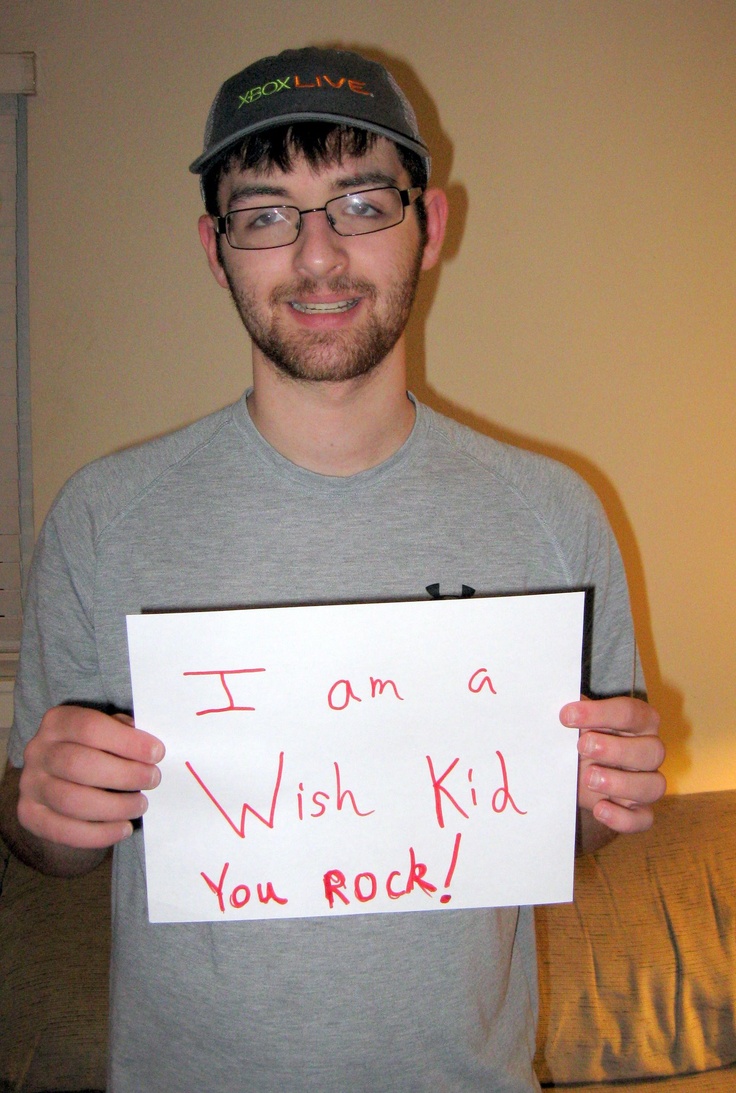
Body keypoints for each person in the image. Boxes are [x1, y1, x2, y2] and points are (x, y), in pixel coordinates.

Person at [0, 46, 665, 1092]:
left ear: (430, 225)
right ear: (215, 252)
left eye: (360, 202)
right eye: (267, 214)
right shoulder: (102, 517)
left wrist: (602, 795)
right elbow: (41, 836)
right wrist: (45, 811)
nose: (317, 258)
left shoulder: (550, 515)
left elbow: (561, 829)